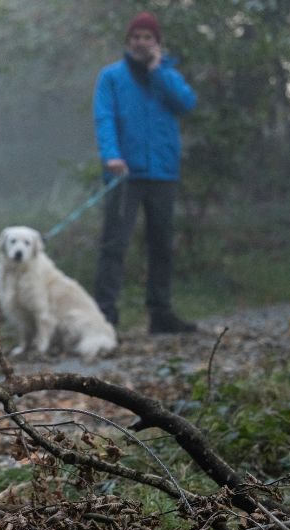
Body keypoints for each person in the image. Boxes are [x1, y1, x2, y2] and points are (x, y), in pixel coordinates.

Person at [92, 11, 198, 334]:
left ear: (157, 43)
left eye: (147, 37)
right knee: (114, 245)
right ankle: (104, 316)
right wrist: (112, 156)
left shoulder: (168, 74)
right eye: (135, 37)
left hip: (163, 172)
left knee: (162, 244)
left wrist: (157, 71)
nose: (140, 42)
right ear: (128, 42)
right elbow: (104, 118)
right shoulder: (111, 77)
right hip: (124, 173)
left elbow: (186, 104)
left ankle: (160, 312)